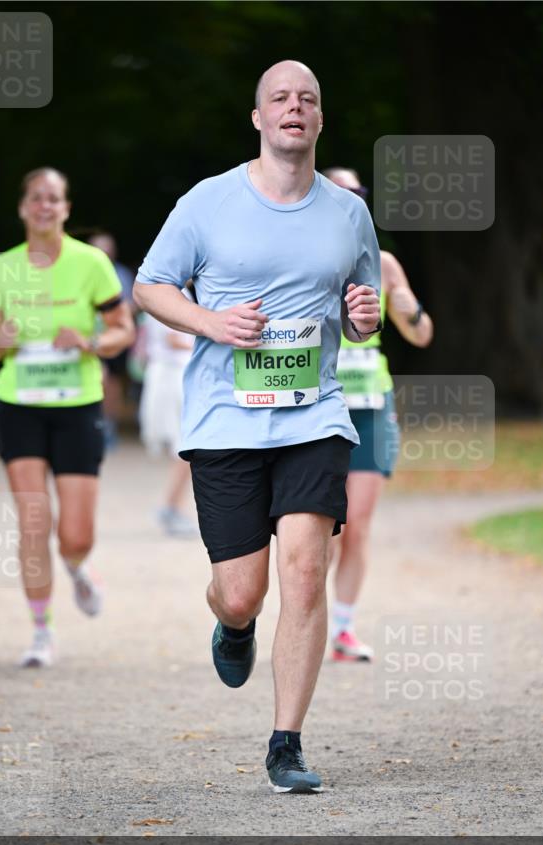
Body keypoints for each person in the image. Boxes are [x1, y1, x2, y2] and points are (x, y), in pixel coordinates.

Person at [134, 61, 381, 793]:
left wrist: (361, 321)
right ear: (258, 118)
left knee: (305, 574)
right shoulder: (207, 202)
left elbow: (357, 313)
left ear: (319, 119)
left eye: (307, 97)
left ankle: (286, 744)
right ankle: (234, 626)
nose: (293, 107)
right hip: (225, 423)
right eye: (280, 98)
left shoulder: (347, 213)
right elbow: (150, 285)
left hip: (315, 415)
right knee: (242, 591)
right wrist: (210, 320)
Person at [0, 167, 135, 667]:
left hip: (77, 405)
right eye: (36, 199)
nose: (45, 206)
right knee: (32, 520)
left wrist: (88, 341)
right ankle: (41, 632)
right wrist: (4, 340)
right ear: (24, 208)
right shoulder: (2, 268)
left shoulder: (91, 264)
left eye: (55, 199)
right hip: (19, 406)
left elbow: (122, 329)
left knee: (76, 534)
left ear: (66, 209)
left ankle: (77, 567)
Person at [323, 167, 434, 661]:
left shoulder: (383, 263)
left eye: (358, 193)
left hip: (371, 403)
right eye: (341, 192)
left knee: (359, 524)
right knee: (322, 527)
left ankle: (343, 631)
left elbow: (421, 333)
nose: (351, 200)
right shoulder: (303, 255)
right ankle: (304, 624)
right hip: (319, 409)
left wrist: (407, 306)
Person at [138, 288, 198, 537]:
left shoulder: (159, 290)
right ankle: (171, 507)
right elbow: (173, 338)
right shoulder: (173, 292)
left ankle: (172, 505)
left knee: (185, 444)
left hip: (170, 373)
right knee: (187, 444)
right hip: (174, 374)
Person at [86, 232, 137, 449]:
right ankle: (90, 425)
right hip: (86, 338)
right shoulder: (82, 273)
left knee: (112, 384)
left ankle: (108, 426)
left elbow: (133, 305)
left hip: (112, 337)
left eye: (107, 249)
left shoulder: (122, 275)